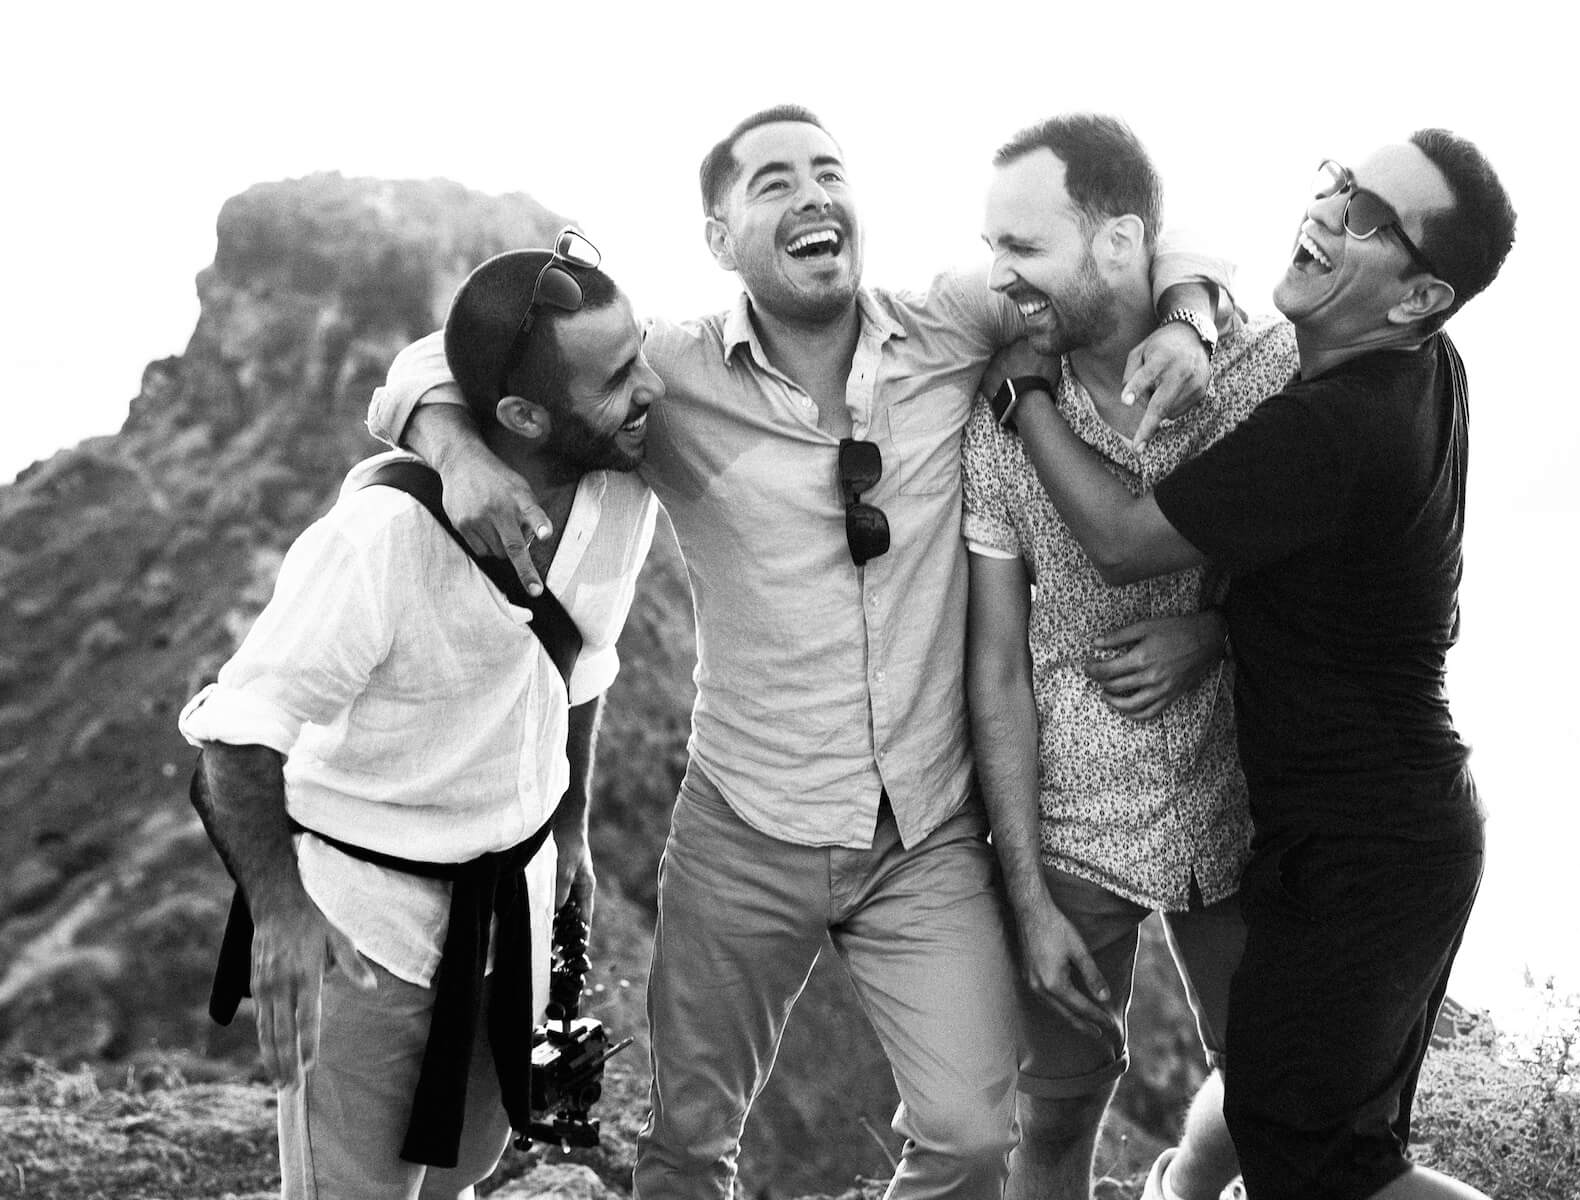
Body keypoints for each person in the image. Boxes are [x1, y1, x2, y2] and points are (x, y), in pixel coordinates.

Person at [363, 106, 1235, 1200]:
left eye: (828, 171)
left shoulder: (948, 326)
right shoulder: (666, 378)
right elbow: (424, 365)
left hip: (924, 833)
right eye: (773, 184)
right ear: (720, 238)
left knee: (972, 1139)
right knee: (687, 1147)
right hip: (743, 829)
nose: (813, 194)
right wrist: (454, 451)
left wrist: (1192, 314)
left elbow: (1125, 236)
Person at [1001, 130, 1516, 1200]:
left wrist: (1025, 399)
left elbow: (1125, 539)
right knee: (1276, 1102)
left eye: (1369, 217)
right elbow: (1321, 578)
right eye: (1340, 183)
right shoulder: (1427, 364)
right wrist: (1189, 309)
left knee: (1328, 1173)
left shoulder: (1332, 427)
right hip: (1379, 834)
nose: (1326, 213)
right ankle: (1181, 1191)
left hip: (1364, 856)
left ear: (1420, 296)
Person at [180, 232, 664, 1199]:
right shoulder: (380, 539)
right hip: (370, 926)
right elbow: (237, 734)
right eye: (619, 376)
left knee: (462, 1173)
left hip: (512, 909)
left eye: (640, 349)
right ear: (525, 413)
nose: (654, 384)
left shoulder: (624, 477)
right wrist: (281, 914)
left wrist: (569, 829)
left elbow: (584, 664)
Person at [965, 114, 1296, 1200]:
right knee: (1051, 1121)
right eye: (992, 245)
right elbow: (998, 668)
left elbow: (1332, 577)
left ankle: (1181, 1190)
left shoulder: (1260, 373)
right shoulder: (996, 415)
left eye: (1021, 247)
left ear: (1116, 245)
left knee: (1272, 1082)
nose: (996, 275)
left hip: (1236, 802)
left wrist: (1211, 631)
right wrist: (1025, 896)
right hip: (1073, 826)